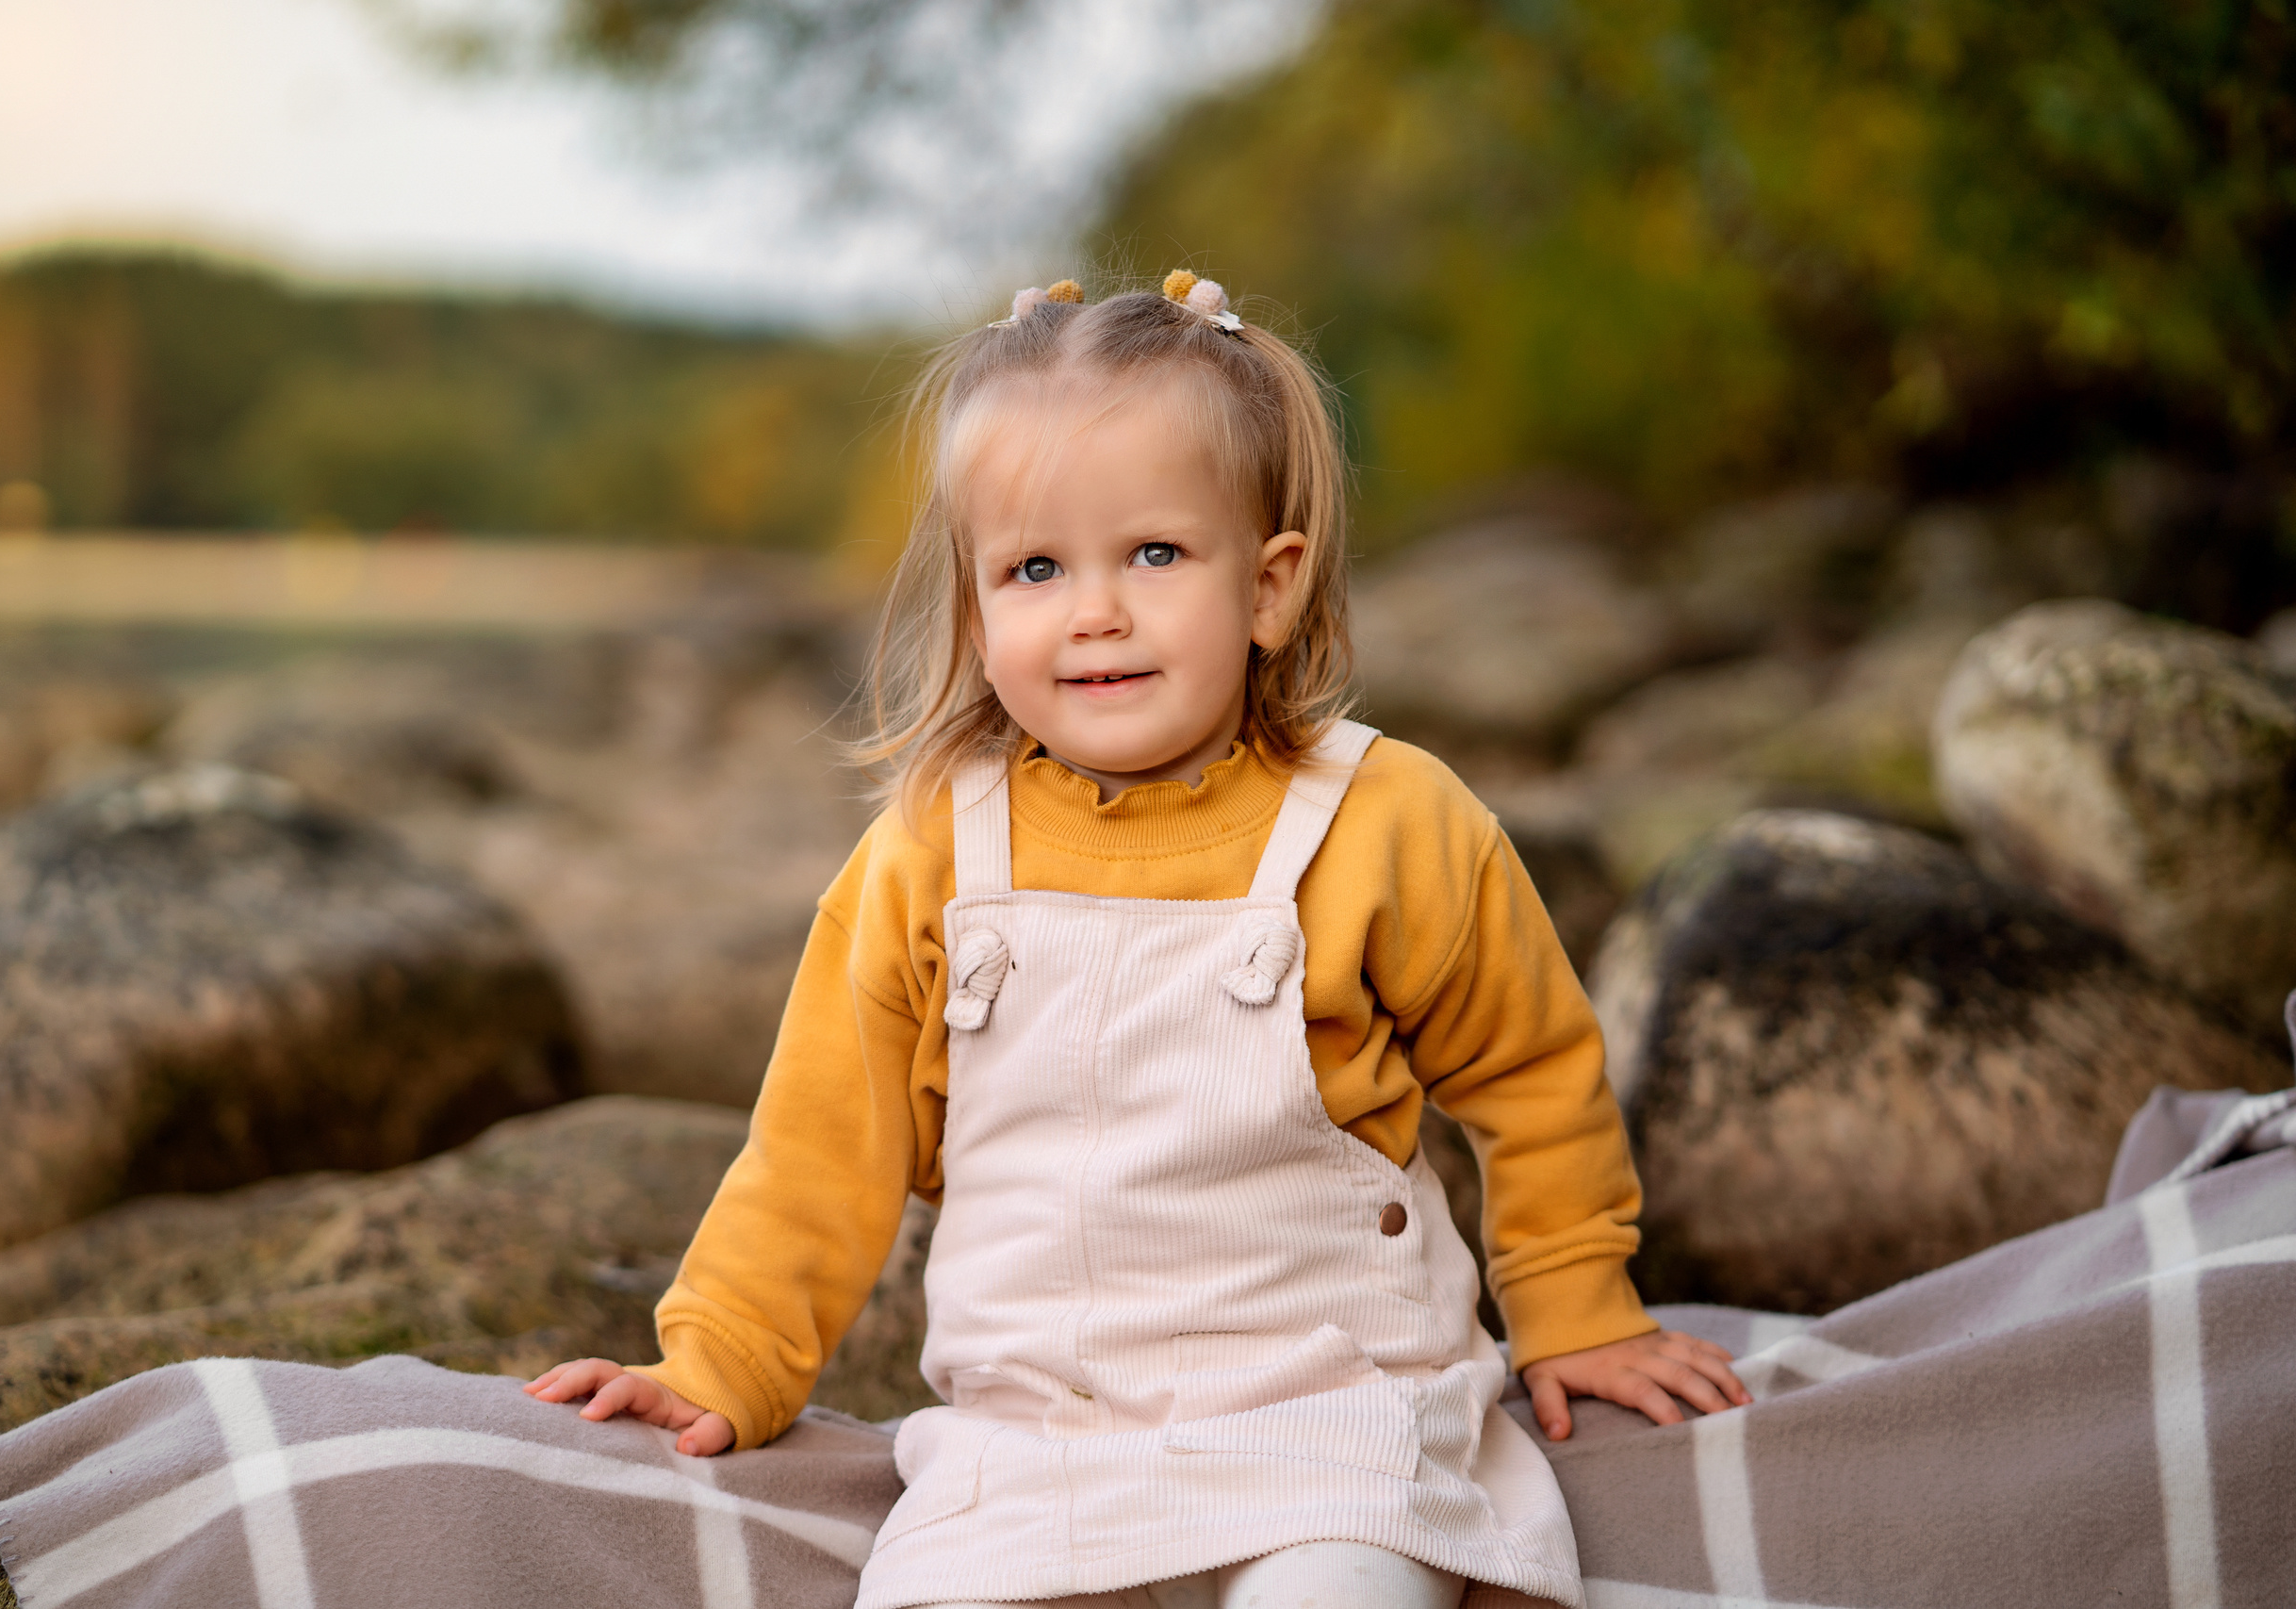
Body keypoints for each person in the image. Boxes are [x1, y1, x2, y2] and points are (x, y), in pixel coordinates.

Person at [526, 271, 1749, 1609]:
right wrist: (722, 1362)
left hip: (1329, 1417)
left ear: (1270, 587)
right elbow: (826, 1139)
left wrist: (1576, 1308)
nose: (1093, 610)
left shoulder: (1389, 820)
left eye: (1154, 555)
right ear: (979, 605)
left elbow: (1530, 1072)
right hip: (1036, 1443)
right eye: (1035, 569)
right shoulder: (935, 848)